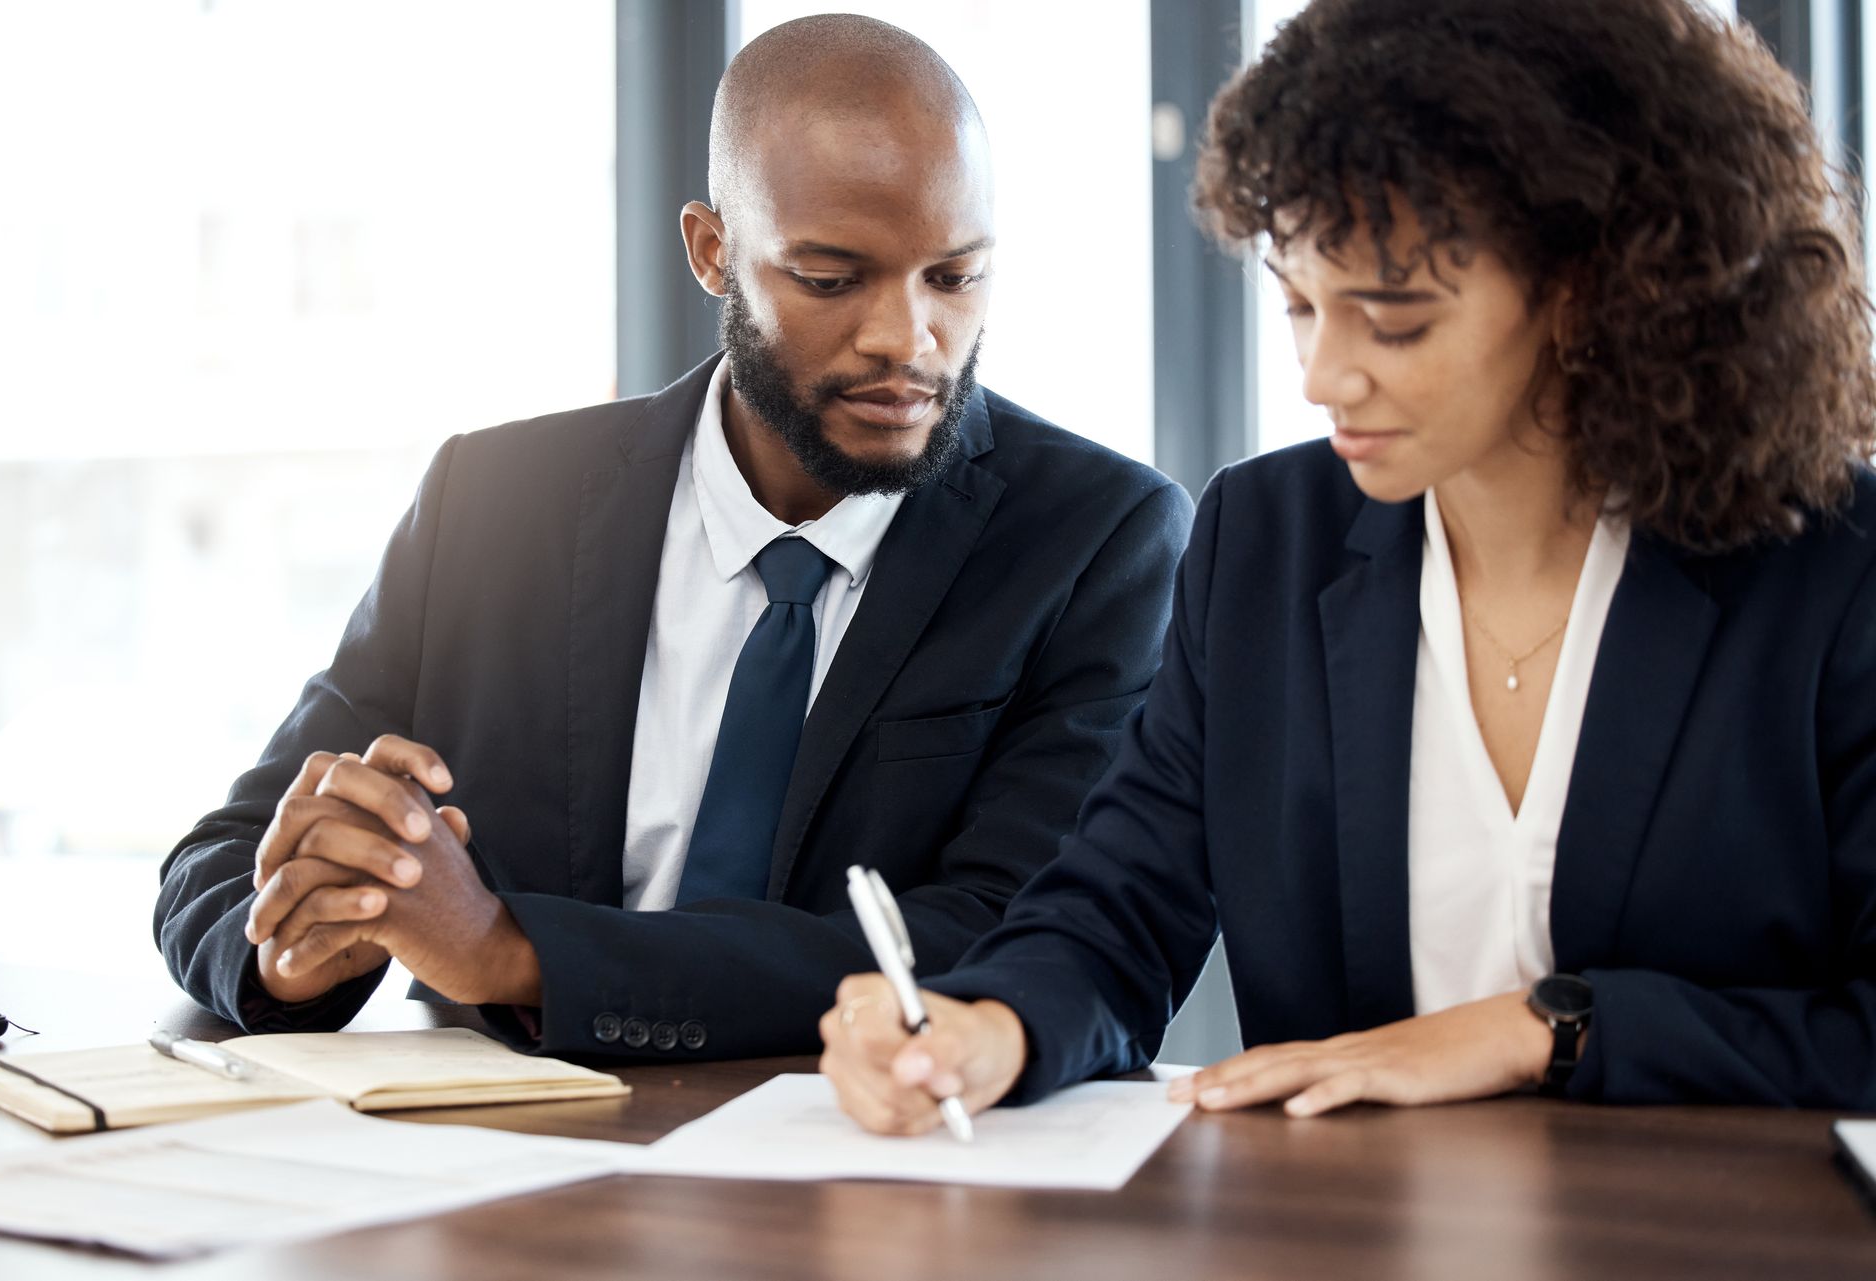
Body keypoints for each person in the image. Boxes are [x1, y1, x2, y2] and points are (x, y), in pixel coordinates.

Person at [820, 0, 1876, 1128]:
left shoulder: (1830, 566)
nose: (1324, 375)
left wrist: (1544, 1031)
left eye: (1394, 322)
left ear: (1588, 295)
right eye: (1301, 307)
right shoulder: (1267, 538)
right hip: (1350, 1230)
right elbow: (1119, 901)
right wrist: (992, 1028)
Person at [152, 15, 1191, 1060]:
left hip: (867, 1162)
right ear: (712, 251)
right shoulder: (495, 502)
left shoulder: (1099, 542)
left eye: (955, 278)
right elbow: (227, 857)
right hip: (505, 1162)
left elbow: (1014, 936)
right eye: (833, 279)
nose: (906, 339)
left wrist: (513, 952)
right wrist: (294, 948)